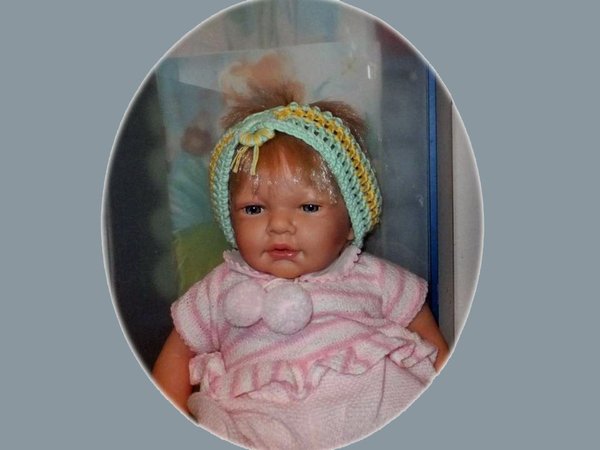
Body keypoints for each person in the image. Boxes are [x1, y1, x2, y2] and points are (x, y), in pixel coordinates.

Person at [153, 88, 449, 449]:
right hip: (257, 427)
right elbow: (177, 352)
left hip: (368, 412)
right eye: (254, 209)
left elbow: (427, 340)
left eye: (308, 208)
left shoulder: (368, 275)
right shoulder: (220, 287)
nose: (279, 225)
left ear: (351, 222)